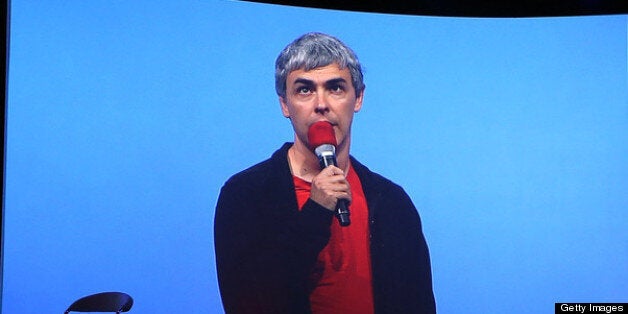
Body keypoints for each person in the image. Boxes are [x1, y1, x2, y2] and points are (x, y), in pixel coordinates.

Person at [214, 32, 436, 314]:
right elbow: (248, 303)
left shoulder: (391, 201)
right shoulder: (247, 194)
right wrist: (315, 211)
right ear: (285, 104)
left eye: (335, 88)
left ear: (358, 98)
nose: (321, 104)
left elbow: (419, 304)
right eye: (304, 90)